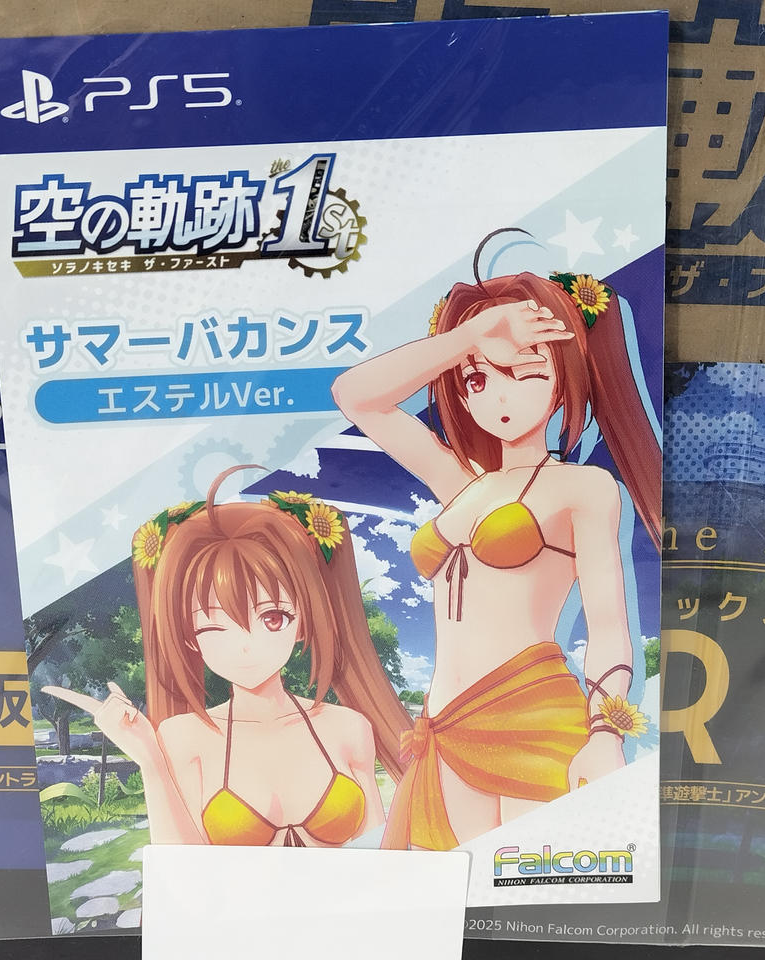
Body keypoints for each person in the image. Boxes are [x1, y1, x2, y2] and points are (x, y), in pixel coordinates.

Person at [332, 265, 659, 850]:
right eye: (478, 380)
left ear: (565, 380)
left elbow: (610, 626)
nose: (499, 397)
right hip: (441, 725)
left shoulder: (583, 488)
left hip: (533, 713)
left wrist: (605, 732)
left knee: (529, 895)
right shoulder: (458, 482)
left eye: (527, 373)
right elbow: (356, 396)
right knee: (441, 893)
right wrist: (472, 335)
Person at [44, 466, 411, 848]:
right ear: (189, 637)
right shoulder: (184, 736)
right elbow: (182, 870)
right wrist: (151, 763)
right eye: (213, 626)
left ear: (304, 621)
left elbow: (383, 858)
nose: (245, 645)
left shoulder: (348, 727)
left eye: (272, 617)